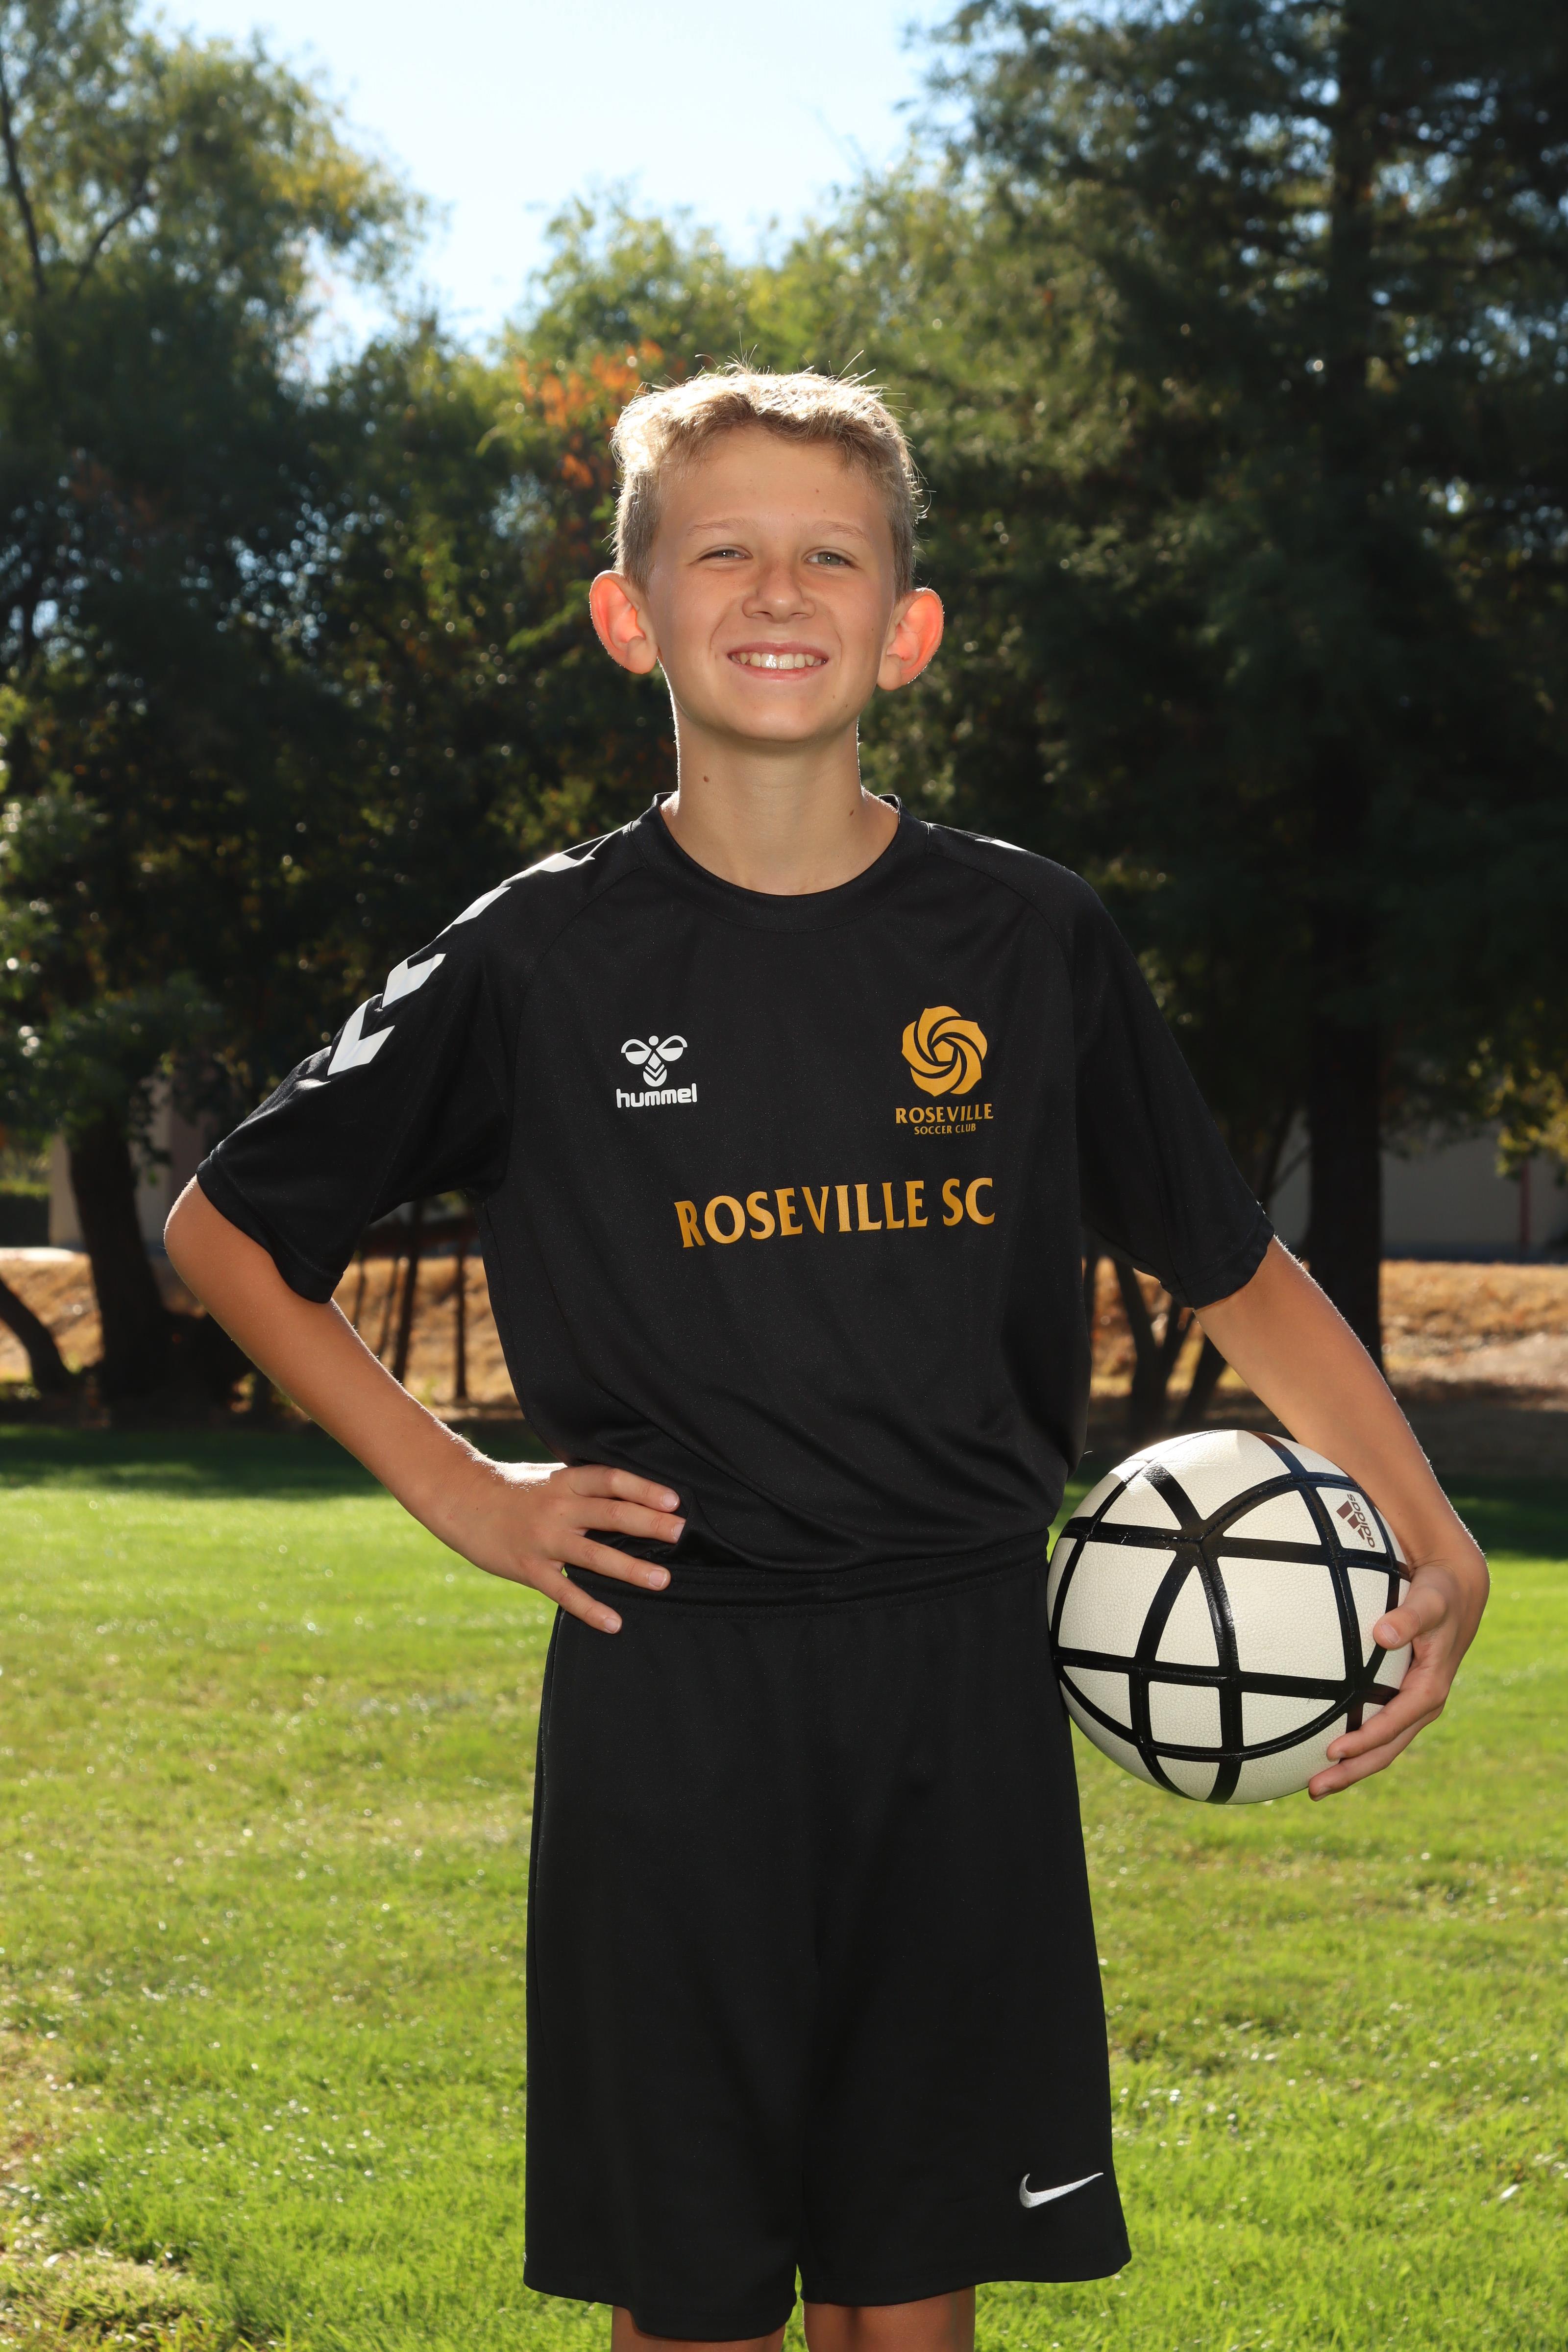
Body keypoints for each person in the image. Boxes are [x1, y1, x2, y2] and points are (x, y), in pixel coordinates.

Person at [164, 367, 1490, 2352]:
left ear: (908, 626)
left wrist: (1428, 1526)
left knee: (908, 2294)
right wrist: (465, 1491)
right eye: (723, 551)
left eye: (830, 556)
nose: (776, 590)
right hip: (671, 1685)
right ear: (629, 616)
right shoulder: (538, 955)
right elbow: (223, 1230)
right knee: (692, 2301)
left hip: (961, 1676)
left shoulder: (1025, 938)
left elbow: (1228, 1267)